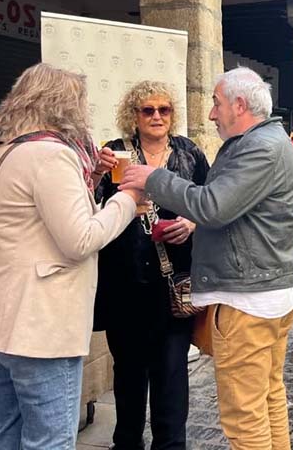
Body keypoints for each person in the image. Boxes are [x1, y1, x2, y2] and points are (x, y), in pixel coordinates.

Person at [121, 67, 293, 449]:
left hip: (248, 301)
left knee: (245, 416)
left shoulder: (259, 147)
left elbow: (212, 206)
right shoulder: (265, 141)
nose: (211, 114)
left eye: (217, 103)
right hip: (263, 294)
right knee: (268, 396)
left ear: (240, 105)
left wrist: (153, 178)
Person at [0, 64, 140, 448]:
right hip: (38, 327)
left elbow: (35, 223)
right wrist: (128, 200)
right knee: (50, 441)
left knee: (2, 433)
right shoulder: (51, 155)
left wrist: (92, 181)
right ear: (66, 105)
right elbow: (80, 239)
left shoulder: (3, 149)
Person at [93, 81, 210, 449]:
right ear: (134, 115)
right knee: (128, 373)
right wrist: (94, 173)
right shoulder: (115, 152)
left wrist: (191, 222)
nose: (157, 116)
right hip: (124, 280)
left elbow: (210, 203)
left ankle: (170, 444)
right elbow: (87, 208)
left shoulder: (189, 153)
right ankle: (126, 442)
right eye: (148, 110)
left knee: (171, 373)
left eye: (164, 109)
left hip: (174, 284)